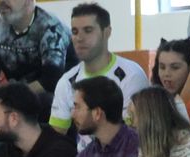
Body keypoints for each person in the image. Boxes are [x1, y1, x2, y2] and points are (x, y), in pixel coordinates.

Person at [49, 3, 151, 134]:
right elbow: (57, 136)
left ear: (107, 32)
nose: (79, 38)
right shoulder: (66, 82)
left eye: (88, 30)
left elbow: (135, 134)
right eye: (74, 32)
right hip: (85, 154)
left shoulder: (132, 75)